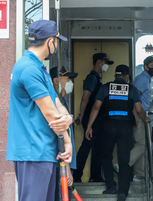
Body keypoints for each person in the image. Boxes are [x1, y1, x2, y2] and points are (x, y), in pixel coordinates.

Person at [6, 20, 73, 201]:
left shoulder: (39, 68)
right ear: (50, 41)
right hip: (33, 150)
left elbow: (56, 103)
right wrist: (68, 142)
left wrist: (68, 117)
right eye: (56, 42)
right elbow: (51, 113)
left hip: (43, 151)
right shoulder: (29, 68)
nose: (56, 46)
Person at [86, 65, 151, 201]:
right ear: (127, 77)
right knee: (124, 159)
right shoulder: (131, 89)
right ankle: (123, 191)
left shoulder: (105, 87)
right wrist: (145, 119)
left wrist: (89, 126)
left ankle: (110, 186)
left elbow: (96, 107)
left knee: (106, 155)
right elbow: (138, 109)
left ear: (115, 76)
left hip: (108, 125)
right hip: (125, 127)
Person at [114, 56, 153, 181]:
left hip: (141, 115)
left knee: (141, 145)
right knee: (142, 145)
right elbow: (134, 99)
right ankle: (122, 165)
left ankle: (139, 175)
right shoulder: (142, 80)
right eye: (152, 66)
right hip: (139, 115)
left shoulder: (146, 79)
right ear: (145, 67)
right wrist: (136, 116)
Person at [73, 53, 114, 182]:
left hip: (96, 119)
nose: (106, 65)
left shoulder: (97, 78)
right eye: (105, 62)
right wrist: (82, 114)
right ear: (98, 62)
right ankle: (77, 175)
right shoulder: (92, 78)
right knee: (87, 146)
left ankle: (94, 176)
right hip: (91, 118)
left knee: (96, 146)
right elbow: (85, 97)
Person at [50, 66, 78, 200]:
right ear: (56, 81)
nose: (70, 83)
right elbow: (61, 136)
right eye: (67, 79)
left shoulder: (62, 102)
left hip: (62, 162)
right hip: (60, 164)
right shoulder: (54, 104)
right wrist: (66, 169)